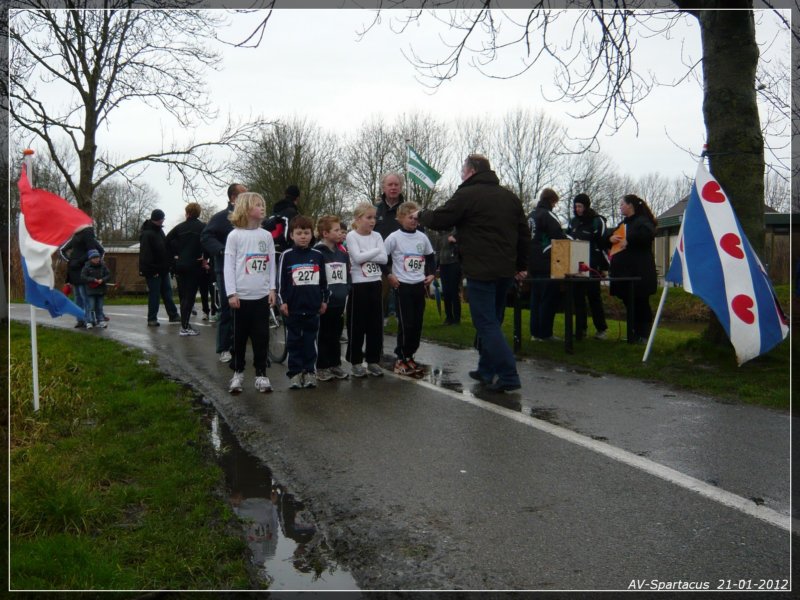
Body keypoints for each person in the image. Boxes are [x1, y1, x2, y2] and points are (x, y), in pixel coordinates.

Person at [415, 154, 530, 393]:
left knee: (485, 322)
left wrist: (422, 214)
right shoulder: (510, 197)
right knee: (494, 319)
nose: (461, 174)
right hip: (505, 269)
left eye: (462, 169)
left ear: (472, 170)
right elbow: (523, 234)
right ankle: (486, 369)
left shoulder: (467, 194)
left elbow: (442, 218)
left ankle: (508, 374)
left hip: (481, 268)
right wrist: (520, 265)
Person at [223, 192, 277, 394]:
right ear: (245, 208)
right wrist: (231, 293)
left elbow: (271, 264)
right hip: (240, 298)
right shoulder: (235, 236)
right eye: (257, 205)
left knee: (261, 337)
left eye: (263, 204)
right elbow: (229, 266)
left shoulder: (266, 236)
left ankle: (261, 374)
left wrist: (272, 288)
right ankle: (237, 372)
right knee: (238, 337)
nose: (262, 208)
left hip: (261, 296)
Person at [383, 201, 436, 376]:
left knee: (417, 323)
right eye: (410, 217)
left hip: (419, 286)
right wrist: (390, 275)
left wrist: (432, 274)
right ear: (400, 218)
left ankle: (410, 355)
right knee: (406, 323)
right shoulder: (394, 237)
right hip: (402, 286)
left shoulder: (422, 237)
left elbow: (430, 257)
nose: (414, 220)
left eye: (416, 217)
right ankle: (401, 358)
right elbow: (383, 258)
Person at [277, 215, 329, 389]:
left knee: (310, 341)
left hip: (313, 307)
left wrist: (324, 300)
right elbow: (281, 282)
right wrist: (282, 301)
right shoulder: (287, 255)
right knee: (293, 341)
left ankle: (309, 372)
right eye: (299, 233)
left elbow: (323, 281)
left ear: (311, 234)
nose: (303, 236)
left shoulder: (318, 255)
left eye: (306, 233)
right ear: (291, 235)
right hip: (293, 308)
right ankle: (295, 373)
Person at [202, 183, 247, 362]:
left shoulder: (250, 219)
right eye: (244, 195)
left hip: (247, 270)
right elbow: (206, 236)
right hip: (225, 269)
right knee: (228, 308)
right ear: (233, 198)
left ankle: (241, 344)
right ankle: (224, 348)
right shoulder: (221, 217)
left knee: (247, 308)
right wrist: (221, 250)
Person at [605, 194, 658, 343]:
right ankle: (632, 333)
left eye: (622, 204)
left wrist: (630, 239)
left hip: (639, 273)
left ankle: (644, 335)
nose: (620, 207)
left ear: (631, 206)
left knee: (641, 303)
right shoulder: (623, 224)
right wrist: (610, 238)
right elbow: (609, 236)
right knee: (629, 303)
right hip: (624, 273)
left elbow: (649, 234)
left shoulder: (642, 222)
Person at [345, 203, 388, 378]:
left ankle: (373, 360)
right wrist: (376, 251)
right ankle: (355, 361)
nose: (372, 221)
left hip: (375, 282)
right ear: (358, 219)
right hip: (358, 284)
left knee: (375, 324)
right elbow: (356, 258)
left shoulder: (377, 235)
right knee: (357, 324)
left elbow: (384, 259)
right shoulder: (351, 236)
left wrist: (369, 253)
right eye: (368, 217)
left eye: (374, 218)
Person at [566, 193, 609, 340]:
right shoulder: (573, 222)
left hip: (592, 265)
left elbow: (603, 244)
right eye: (576, 206)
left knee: (594, 297)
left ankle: (601, 329)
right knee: (578, 297)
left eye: (580, 206)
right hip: (576, 265)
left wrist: (603, 267)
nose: (577, 209)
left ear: (586, 206)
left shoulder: (597, 221)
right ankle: (580, 329)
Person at [314, 215, 351, 381]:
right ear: (325, 233)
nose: (340, 233)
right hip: (324, 302)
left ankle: (335, 364)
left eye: (341, 230)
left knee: (336, 334)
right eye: (336, 230)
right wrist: (322, 297)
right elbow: (318, 278)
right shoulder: (317, 253)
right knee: (324, 334)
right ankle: (322, 366)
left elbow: (347, 275)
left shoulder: (342, 253)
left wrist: (346, 289)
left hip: (339, 300)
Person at [528, 188, 565, 342]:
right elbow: (559, 236)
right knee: (548, 299)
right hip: (546, 262)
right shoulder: (548, 215)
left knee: (535, 298)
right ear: (552, 201)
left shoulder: (531, 216)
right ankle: (545, 333)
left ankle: (535, 333)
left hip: (531, 262)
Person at [166, 202, 206, 336]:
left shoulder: (179, 227)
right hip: (194, 265)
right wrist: (204, 256)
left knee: (184, 296)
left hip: (180, 265)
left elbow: (166, 241)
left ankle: (185, 324)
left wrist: (175, 255)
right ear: (198, 213)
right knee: (190, 297)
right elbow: (208, 242)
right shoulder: (202, 227)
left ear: (187, 213)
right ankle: (184, 327)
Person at [139, 208, 180, 327]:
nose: (163, 221)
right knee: (154, 295)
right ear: (158, 219)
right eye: (162, 219)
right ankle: (152, 318)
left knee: (167, 293)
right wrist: (152, 270)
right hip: (153, 271)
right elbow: (146, 255)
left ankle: (173, 315)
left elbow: (165, 247)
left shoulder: (159, 232)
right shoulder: (147, 234)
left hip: (163, 269)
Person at [60, 225, 105, 328]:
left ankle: (87, 319)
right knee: (81, 297)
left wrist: (73, 261)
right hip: (78, 271)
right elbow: (63, 250)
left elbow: (100, 251)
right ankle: (84, 319)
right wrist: (73, 261)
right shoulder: (78, 237)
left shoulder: (84, 236)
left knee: (82, 297)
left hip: (82, 271)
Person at [374, 172, 405, 322]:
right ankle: (380, 322)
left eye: (396, 184)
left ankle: (403, 322)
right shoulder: (374, 210)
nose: (393, 188)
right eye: (390, 184)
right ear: (383, 187)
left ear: (401, 187)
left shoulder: (407, 211)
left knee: (404, 296)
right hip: (381, 262)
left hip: (403, 261)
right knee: (381, 294)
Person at [430, 227, 462, 325]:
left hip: (454, 264)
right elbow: (437, 252)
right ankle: (449, 318)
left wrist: (456, 241)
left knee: (454, 291)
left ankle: (456, 319)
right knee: (446, 292)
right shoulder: (439, 235)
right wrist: (434, 269)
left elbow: (464, 246)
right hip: (443, 266)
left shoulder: (456, 231)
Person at [264, 184, 301, 254]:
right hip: (284, 251)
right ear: (297, 198)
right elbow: (291, 232)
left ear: (285, 195)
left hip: (269, 248)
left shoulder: (274, 212)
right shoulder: (292, 213)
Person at [79, 249, 110, 329]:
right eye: (94, 258)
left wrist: (103, 280)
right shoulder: (86, 267)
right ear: (90, 259)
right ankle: (88, 321)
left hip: (101, 290)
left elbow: (108, 275)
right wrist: (93, 279)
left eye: (97, 257)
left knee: (99, 307)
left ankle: (101, 320)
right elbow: (83, 277)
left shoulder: (103, 266)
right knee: (91, 307)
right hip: (90, 290)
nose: (96, 259)